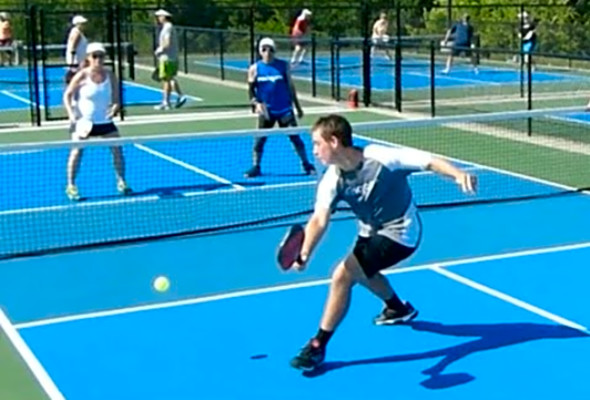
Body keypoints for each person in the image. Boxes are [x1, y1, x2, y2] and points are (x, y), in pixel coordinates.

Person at [288, 114, 477, 371]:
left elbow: (429, 161)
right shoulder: (332, 180)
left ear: (334, 141)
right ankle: (397, 308)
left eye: (316, 143)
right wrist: (305, 251)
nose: (314, 150)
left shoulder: (381, 158)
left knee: (343, 275)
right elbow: (319, 220)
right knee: (365, 271)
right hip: (370, 232)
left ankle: (318, 345)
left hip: (402, 232)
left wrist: (458, 174)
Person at [63, 42, 131, 201]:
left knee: (117, 150)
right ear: (89, 58)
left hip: (104, 123)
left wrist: (115, 107)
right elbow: (67, 95)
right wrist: (72, 115)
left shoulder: (110, 75)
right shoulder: (82, 75)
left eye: (101, 56)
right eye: (95, 56)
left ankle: (121, 181)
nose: (98, 60)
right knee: (77, 152)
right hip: (84, 122)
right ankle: (71, 185)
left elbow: (117, 98)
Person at [244, 37, 316, 178]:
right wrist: (256, 104)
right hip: (267, 111)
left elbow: (290, 86)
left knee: (295, 138)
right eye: (264, 49)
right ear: (260, 51)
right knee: (260, 140)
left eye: (270, 49)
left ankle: (306, 164)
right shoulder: (254, 68)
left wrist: (298, 107)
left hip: (285, 110)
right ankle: (256, 166)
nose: (267, 52)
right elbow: (251, 90)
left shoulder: (283, 66)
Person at [154, 9, 187, 110]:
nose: (158, 19)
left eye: (159, 16)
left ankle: (168, 101)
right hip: (169, 57)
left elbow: (167, 43)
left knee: (167, 79)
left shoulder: (168, 27)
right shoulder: (167, 27)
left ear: (164, 17)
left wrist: (159, 50)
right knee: (169, 79)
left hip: (167, 58)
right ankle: (176, 97)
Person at [65, 15, 89, 80]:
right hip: (77, 62)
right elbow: (73, 48)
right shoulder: (76, 33)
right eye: (82, 24)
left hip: (79, 61)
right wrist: (73, 62)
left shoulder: (78, 32)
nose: (84, 25)